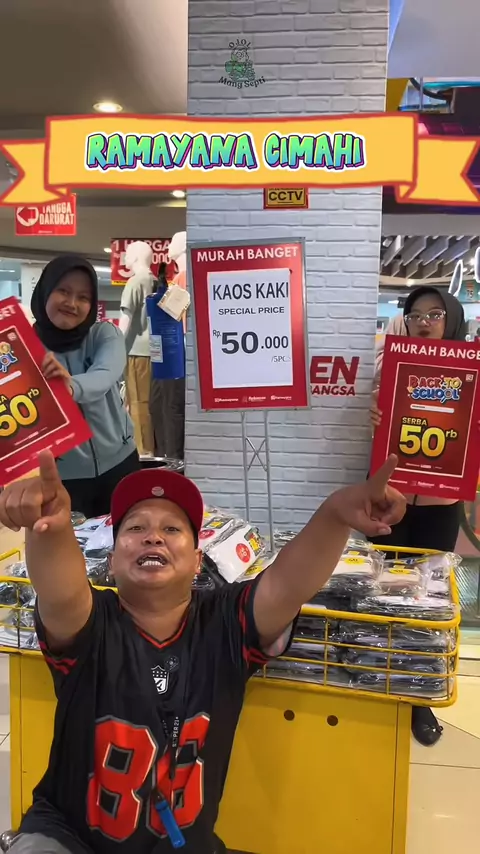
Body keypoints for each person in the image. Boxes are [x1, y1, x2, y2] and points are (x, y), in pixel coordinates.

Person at [0, 451, 405, 854]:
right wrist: (50, 528)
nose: (153, 536)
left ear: (198, 562)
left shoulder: (226, 623)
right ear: (112, 561)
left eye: (172, 528)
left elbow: (289, 583)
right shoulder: (91, 623)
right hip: (67, 837)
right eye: (135, 527)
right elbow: (61, 590)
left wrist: (335, 513)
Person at [370, 285, 467, 747]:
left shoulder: (471, 374)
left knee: (428, 596)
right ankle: (378, 673)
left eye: (434, 314)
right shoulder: (392, 368)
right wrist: (376, 418)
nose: (423, 322)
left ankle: (419, 693)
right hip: (390, 495)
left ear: (452, 320)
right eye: (414, 315)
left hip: (440, 504)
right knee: (383, 588)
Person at [31, 255, 140, 518]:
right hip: (62, 476)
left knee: (124, 535)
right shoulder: (22, 349)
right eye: (63, 291)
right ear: (45, 291)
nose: (72, 303)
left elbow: (105, 375)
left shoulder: (104, 334)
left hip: (120, 463)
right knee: (71, 543)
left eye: (83, 297)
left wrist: (69, 386)